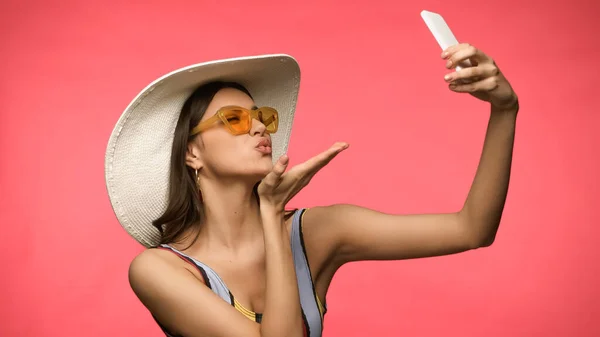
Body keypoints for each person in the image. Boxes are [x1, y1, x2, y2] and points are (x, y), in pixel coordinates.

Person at [104, 43, 519, 337]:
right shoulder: (159, 271)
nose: (260, 126)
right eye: (233, 118)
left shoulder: (318, 233)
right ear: (192, 152)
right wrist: (269, 212)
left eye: (262, 115)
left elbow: (472, 229)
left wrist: (504, 110)